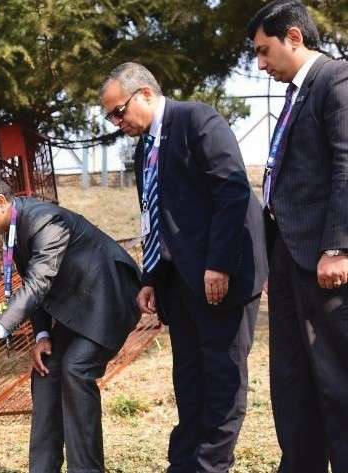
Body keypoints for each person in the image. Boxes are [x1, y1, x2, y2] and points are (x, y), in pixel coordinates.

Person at [98, 62, 267, 472]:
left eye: (119, 111)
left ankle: (211, 466)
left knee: (222, 381)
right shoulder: (145, 151)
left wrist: (219, 263)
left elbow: (231, 189)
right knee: (190, 383)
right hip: (180, 285)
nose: (118, 123)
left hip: (221, 278)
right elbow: (156, 218)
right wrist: (151, 278)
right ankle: (184, 464)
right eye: (110, 118)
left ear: (146, 94)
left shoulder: (196, 120)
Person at [0, 173, 141, 473]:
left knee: (75, 368)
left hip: (110, 298)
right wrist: (41, 335)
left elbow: (38, 283)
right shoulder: (15, 228)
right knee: (46, 372)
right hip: (76, 306)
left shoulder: (44, 221)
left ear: (0, 202)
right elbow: (35, 288)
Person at [248, 2, 348, 471]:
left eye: (264, 51)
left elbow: (347, 167)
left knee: (336, 377)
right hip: (288, 259)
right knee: (291, 376)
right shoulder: (294, 95)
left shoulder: (335, 80)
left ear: (293, 37)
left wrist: (337, 245)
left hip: (324, 259)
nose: (261, 64)